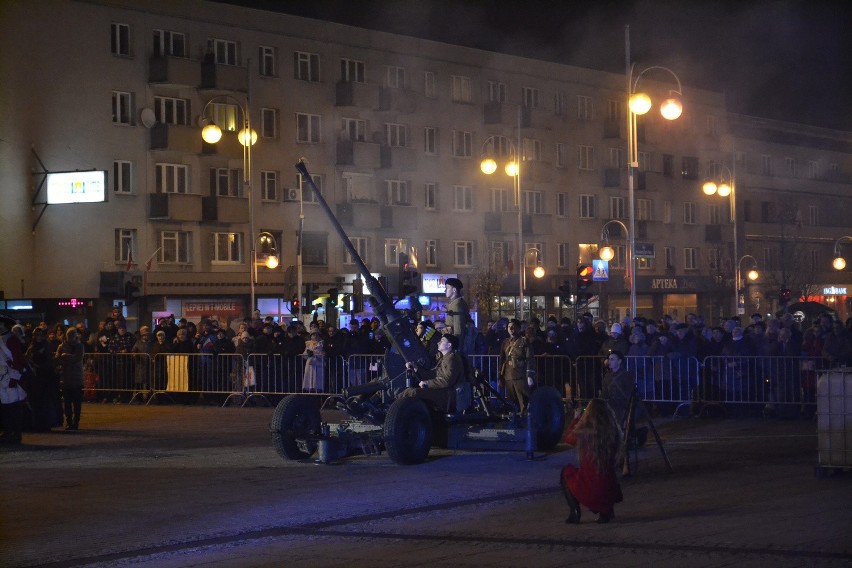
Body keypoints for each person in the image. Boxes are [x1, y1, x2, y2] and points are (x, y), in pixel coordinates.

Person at [560, 398, 624, 524]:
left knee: (566, 472)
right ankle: (606, 513)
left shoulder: (585, 433)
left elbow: (568, 437)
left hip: (591, 488)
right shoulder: (614, 433)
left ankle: (575, 512)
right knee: (604, 476)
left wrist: (576, 418)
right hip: (609, 490)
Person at [402, 334, 465, 412]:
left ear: (449, 345)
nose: (439, 343)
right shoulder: (445, 358)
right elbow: (434, 374)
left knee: (413, 392)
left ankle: (394, 408)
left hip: (447, 394)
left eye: (442, 341)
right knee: (410, 391)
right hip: (443, 391)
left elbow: (448, 380)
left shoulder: (452, 359)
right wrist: (416, 368)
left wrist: (428, 383)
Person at [499, 319, 536, 413]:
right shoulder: (505, 342)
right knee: (512, 403)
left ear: (519, 328)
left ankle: (525, 423)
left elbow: (529, 358)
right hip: (508, 376)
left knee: (523, 402)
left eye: (513, 326)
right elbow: (502, 360)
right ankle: (515, 422)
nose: (511, 328)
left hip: (520, 376)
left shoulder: (524, 341)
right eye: (509, 326)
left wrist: (529, 376)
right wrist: (500, 376)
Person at [56, 327, 85, 431]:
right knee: (67, 402)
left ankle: (76, 421)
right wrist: (66, 357)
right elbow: (58, 360)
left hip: (76, 377)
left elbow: (77, 358)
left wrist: (65, 356)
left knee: (76, 402)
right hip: (66, 377)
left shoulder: (79, 346)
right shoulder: (61, 346)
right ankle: (69, 421)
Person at [600, 350, 635, 424]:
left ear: (619, 361)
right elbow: (605, 392)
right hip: (610, 405)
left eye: (612, 359)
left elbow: (628, 395)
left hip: (621, 406)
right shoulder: (607, 376)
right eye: (609, 359)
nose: (609, 361)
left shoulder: (626, 376)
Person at [443, 277, 469, 343]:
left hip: (454, 344)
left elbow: (458, 331)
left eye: (447, 288)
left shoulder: (458, 305)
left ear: (454, 289)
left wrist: (456, 348)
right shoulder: (454, 303)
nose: (445, 290)